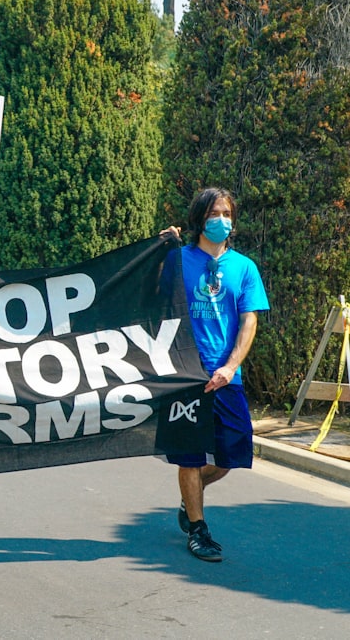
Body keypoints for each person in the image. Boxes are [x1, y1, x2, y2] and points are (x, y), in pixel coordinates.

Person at [160, 187, 269, 562]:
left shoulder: (244, 267)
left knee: (232, 452)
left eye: (227, 213)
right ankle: (198, 527)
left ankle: (189, 500)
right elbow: (149, 300)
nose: (222, 220)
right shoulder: (177, 261)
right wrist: (159, 252)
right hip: (185, 373)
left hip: (226, 376)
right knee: (189, 455)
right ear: (199, 220)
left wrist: (230, 366)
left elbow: (249, 320)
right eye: (214, 213)